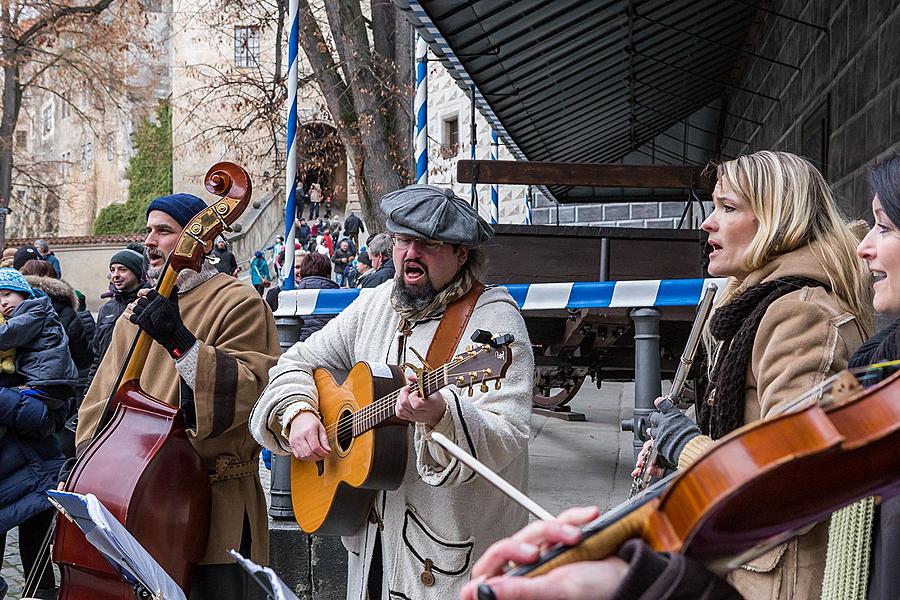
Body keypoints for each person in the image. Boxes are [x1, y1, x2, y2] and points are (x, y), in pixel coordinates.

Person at [250, 185, 535, 600]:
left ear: (462, 254)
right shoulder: (379, 303)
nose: (409, 253)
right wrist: (298, 411)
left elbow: (508, 431)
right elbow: (297, 361)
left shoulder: (494, 325)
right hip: (372, 542)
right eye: (402, 240)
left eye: (428, 244)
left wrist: (443, 414)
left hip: (447, 556)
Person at [630, 151, 872, 599]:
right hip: (746, 562)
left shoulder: (801, 316)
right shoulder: (754, 303)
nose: (708, 222)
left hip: (777, 578)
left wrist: (685, 445)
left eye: (729, 207)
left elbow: (797, 480)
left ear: (779, 220)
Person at [75, 193, 280, 600]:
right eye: (148, 230)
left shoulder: (238, 301)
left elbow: (251, 391)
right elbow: (100, 401)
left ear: (198, 241)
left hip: (211, 505)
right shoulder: (135, 314)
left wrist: (182, 343)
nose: (150, 240)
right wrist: (87, 459)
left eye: (164, 231)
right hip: (137, 503)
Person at [0, 268, 78, 600]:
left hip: (36, 464)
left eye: (7, 295)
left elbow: (46, 415)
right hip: (13, 464)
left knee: (36, 555)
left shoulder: (33, 324)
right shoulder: (13, 342)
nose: (3, 303)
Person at [88, 248, 147, 391]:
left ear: (138, 272)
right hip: (107, 384)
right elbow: (98, 354)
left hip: (137, 385)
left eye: (122, 269)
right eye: (112, 270)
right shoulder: (106, 309)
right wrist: (89, 389)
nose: (116, 275)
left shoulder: (146, 303)